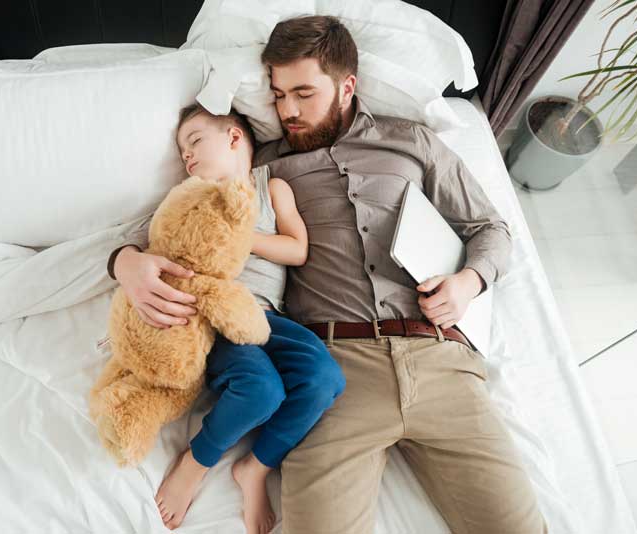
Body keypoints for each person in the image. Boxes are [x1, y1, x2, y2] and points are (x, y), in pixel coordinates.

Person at [110, 15, 547, 534]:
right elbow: (165, 225)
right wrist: (125, 262)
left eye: (303, 93)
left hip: (439, 359)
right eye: (277, 96)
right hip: (334, 369)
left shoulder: (413, 142)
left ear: (348, 86)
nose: (288, 111)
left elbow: (490, 228)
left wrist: (468, 282)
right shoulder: (262, 170)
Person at [107, 103, 345, 533]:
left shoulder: (271, 188)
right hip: (211, 318)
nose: (188, 157)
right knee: (262, 391)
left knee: (325, 378)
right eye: (182, 153)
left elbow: (298, 249)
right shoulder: (188, 197)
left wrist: (242, 238)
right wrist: (128, 260)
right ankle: (196, 462)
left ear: (234, 138)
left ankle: (255, 466)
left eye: (195, 142)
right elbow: (146, 241)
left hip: (268, 317)